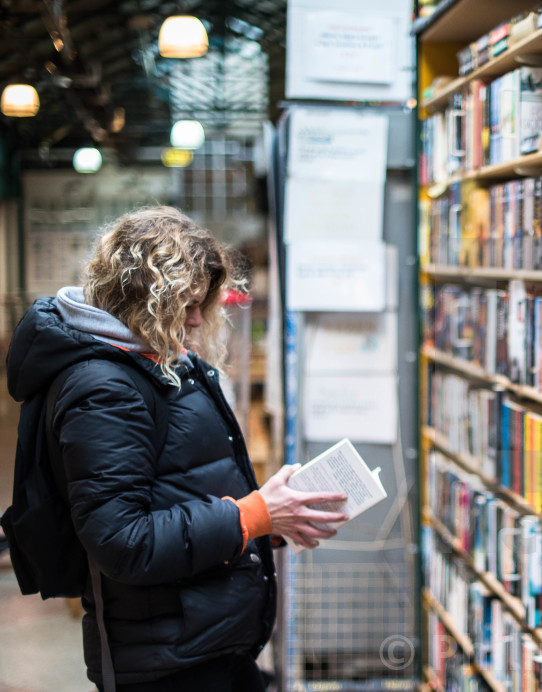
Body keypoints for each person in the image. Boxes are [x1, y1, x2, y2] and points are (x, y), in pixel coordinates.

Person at [5, 207, 346, 691]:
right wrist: (248, 517)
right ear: (140, 297)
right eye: (182, 305)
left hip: (203, 639)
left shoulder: (152, 359)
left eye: (200, 305)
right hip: (166, 660)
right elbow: (124, 542)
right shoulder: (102, 386)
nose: (193, 320)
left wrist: (267, 521)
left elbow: (184, 485)